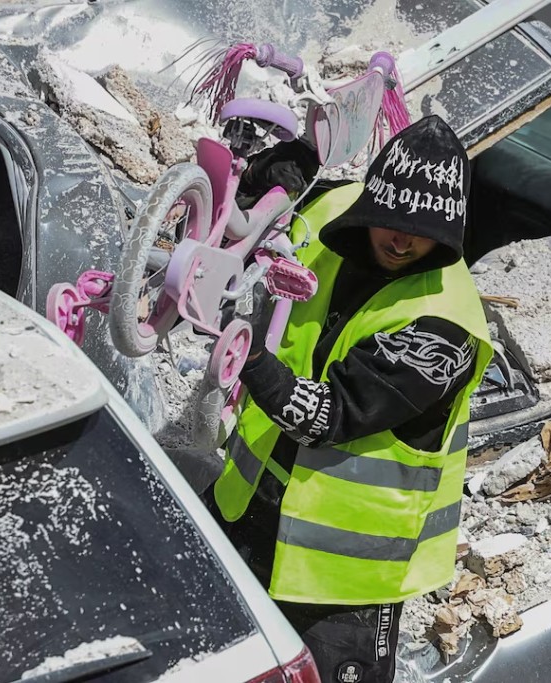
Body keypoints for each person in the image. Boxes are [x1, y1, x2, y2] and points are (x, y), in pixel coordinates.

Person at [207, 115, 494, 683]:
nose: (401, 239)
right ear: (370, 204)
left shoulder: (444, 328)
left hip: (343, 579)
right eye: (389, 221)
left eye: (421, 232)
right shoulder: (332, 213)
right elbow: (244, 216)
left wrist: (246, 355)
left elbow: (328, 416)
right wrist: (279, 168)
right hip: (251, 505)